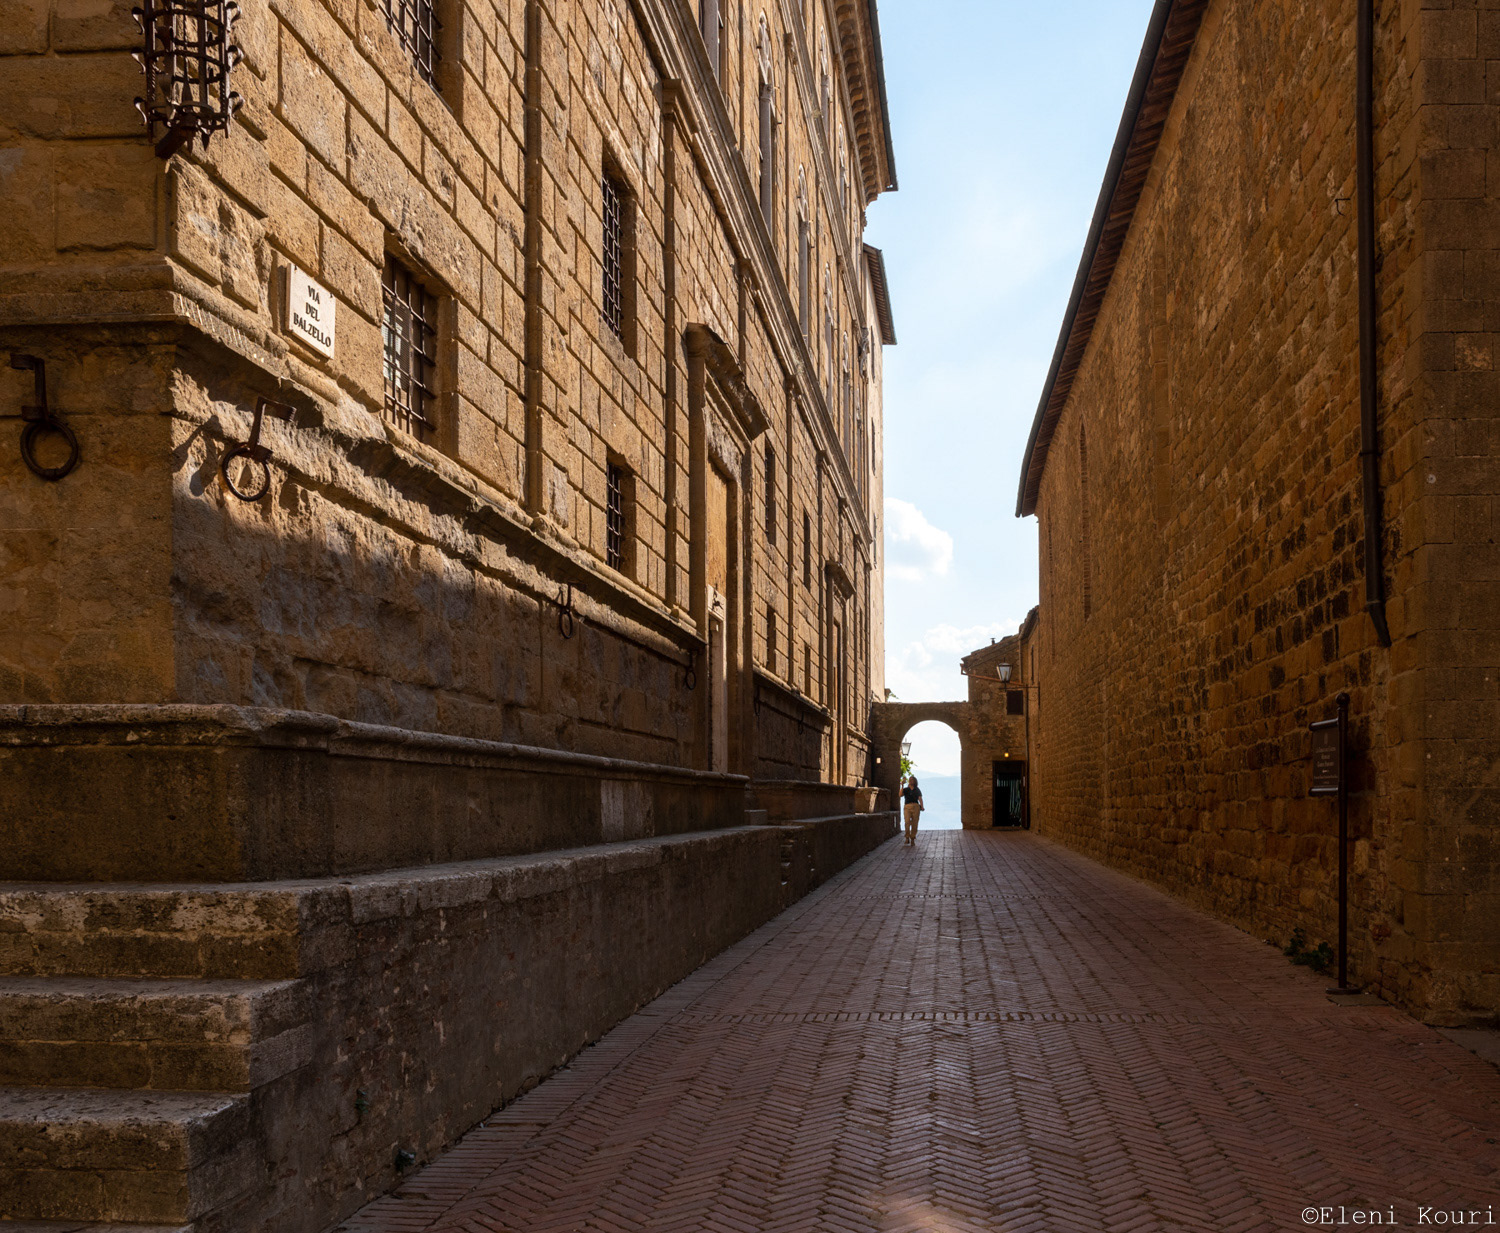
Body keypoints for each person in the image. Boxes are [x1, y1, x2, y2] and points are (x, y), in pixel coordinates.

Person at [901, 776, 923, 847]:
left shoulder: (917, 789)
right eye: (910, 779)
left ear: (915, 781)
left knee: (915, 823)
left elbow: (920, 798)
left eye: (912, 779)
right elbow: (900, 795)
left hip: (916, 806)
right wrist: (902, 785)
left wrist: (922, 806)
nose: (911, 780)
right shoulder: (906, 789)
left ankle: (912, 838)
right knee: (907, 822)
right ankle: (907, 837)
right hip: (907, 806)